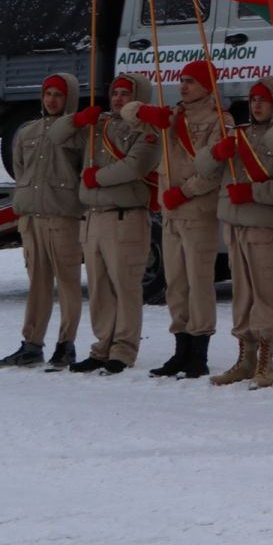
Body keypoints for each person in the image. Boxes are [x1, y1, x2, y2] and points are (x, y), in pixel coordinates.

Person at [132, 59, 227, 380]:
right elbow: (127, 113)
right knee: (176, 284)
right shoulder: (172, 116)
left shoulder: (218, 121)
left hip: (197, 212)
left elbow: (213, 171)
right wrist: (145, 112)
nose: (183, 86)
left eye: (191, 81)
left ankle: (199, 352)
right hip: (171, 212)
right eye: (181, 80)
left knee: (199, 283)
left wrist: (185, 192)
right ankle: (180, 349)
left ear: (206, 86)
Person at [0, 73, 88, 370]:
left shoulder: (78, 132)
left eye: (58, 95)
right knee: (38, 285)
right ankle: (31, 344)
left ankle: (66, 344)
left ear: (68, 98)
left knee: (68, 284)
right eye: (48, 94)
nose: (52, 100)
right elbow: (20, 170)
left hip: (63, 218)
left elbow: (85, 169)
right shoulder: (27, 131)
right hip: (32, 219)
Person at [210, 78, 273, 390]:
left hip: (264, 226)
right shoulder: (239, 135)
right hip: (236, 226)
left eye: (263, 99)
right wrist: (217, 152)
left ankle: (265, 360)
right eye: (253, 99)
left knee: (264, 295)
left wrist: (252, 192)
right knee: (242, 296)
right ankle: (245, 357)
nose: (257, 104)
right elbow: (203, 164)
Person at [71, 73, 162, 375]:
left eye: (125, 93)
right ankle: (102, 346)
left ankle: (123, 348)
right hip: (95, 217)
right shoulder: (100, 127)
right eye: (115, 93)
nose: (118, 98)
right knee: (98, 288)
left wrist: (98, 179)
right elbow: (61, 137)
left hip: (125, 217)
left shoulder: (147, 129)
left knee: (125, 287)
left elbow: (136, 165)